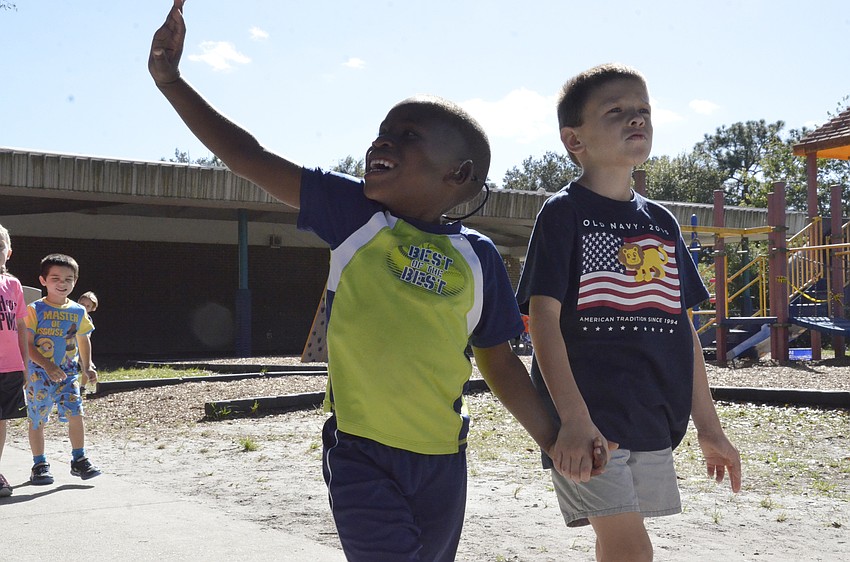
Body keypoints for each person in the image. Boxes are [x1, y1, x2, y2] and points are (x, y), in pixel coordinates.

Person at [149, 2, 559, 559]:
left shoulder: (479, 257)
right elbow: (248, 157)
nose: (381, 142)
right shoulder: (355, 216)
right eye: (381, 132)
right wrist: (171, 82)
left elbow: (500, 362)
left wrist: (553, 440)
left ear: (458, 174)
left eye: (406, 135)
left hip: (443, 460)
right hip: (360, 453)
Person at [516, 63, 742, 562]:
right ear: (574, 140)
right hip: (588, 424)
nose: (636, 118)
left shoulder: (662, 221)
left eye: (643, 109)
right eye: (615, 110)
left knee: (616, 541)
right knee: (630, 548)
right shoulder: (562, 213)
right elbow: (543, 322)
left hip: (652, 415)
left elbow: (683, 330)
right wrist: (574, 420)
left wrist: (709, 426)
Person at [25, 254, 100, 485]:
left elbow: (83, 338)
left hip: (68, 375)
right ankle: (39, 464)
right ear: (43, 280)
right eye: (55, 278)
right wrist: (47, 365)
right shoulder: (35, 309)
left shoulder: (78, 311)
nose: (62, 283)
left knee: (76, 414)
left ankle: (79, 459)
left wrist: (87, 366)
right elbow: (27, 345)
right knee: (37, 419)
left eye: (68, 279)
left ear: (75, 282)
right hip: (39, 375)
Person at [0, 225, 29, 497]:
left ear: (8, 252)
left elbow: (20, 326)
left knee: (1, 421)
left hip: (9, 366)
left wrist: (25, 365)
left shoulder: (13, 285)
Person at [76, 291, 99, 390]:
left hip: (81, 347)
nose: (84, 307)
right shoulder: (73, 315)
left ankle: (83, 386)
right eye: (82, 304)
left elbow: (86, 336)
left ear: (92, 308)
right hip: (71, 346)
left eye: (88, 306)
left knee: (85, 365)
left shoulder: (88, 319)